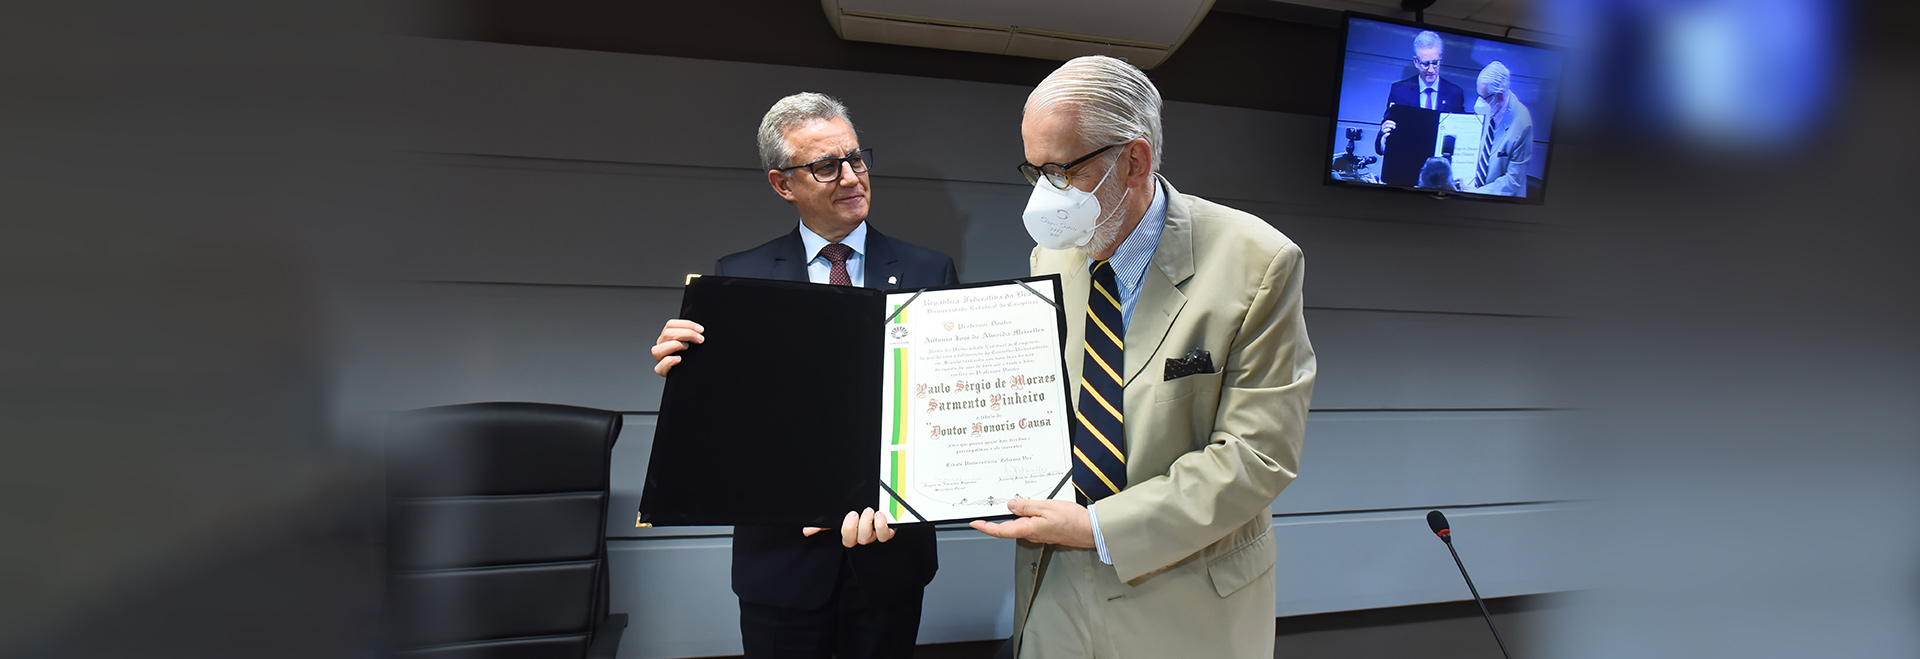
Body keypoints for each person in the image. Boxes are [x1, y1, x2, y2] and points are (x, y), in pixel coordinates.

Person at [971, 56, 1316, 659]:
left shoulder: (1259, 261)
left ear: (1134, 160)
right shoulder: (1051, 259)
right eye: (1033, 171)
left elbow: (1258, 455)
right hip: (1056, 595)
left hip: (1187, 603)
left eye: (1062, 171)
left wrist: (1101, 528)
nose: (1044, 197)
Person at [648, 92, 956, 659]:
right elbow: (732, 422)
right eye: (825, 166)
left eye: (857, 158)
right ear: (782, 184)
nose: (851, 177)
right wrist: (688, 377)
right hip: (781, 561)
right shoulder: (737, 278)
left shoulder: (927, 271)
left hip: (887, 552)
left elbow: (940, 406)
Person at [1376, 30, 1468, 155]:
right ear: (1416, 61)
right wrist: (1384, 139)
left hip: (1440, 166)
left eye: (1435, 63)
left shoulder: (1454, 93)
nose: (1431, 70)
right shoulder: (1399, 91)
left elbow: (1462, 135)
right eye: (1425, 64)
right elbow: (1382, 139)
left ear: (1440, 57)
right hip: (1406, 160)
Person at [1455, 61, 1535, 197]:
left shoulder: (1522, 124)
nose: (1479, 102)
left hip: (1500, 200)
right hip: (1471, 190)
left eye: (1483, 98)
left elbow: (1513, 180)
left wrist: (1478, 192)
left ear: (1499, 96)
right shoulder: (1490, 106)